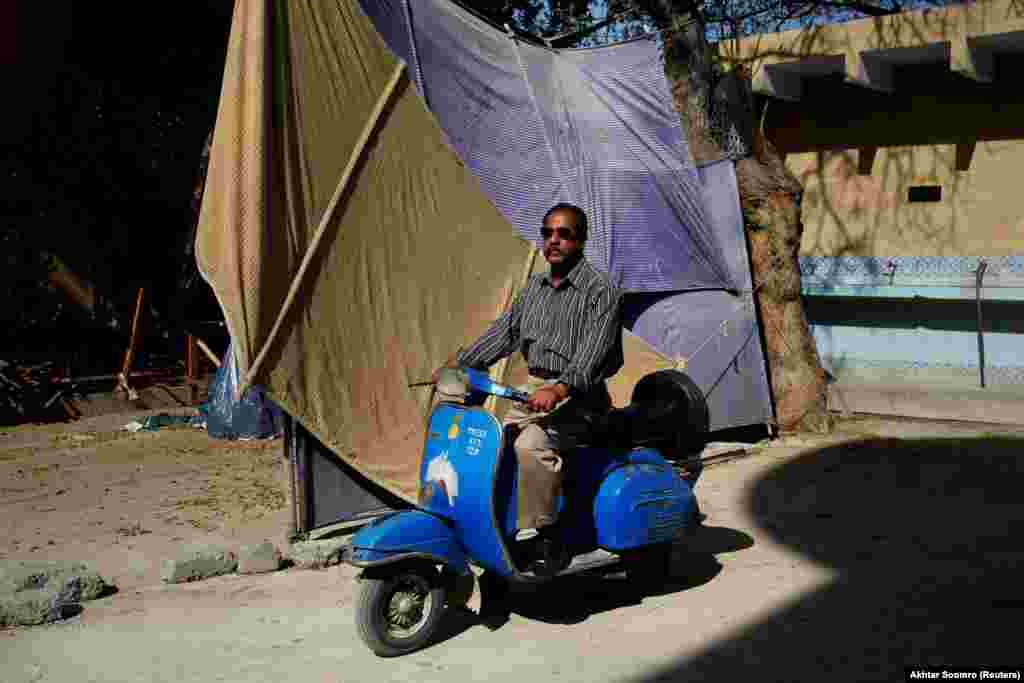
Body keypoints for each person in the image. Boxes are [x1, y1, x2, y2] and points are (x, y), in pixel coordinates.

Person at [434, 203, 624, 542]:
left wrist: (560, 388)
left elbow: (593, 355)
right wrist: (461, 363)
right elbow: (503, 334)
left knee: (532, 446)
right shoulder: (533, 289)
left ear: (580, 241)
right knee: (488, 443)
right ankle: (492, 522)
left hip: (582, 399)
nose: (554, 241)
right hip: (530, 393)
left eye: (564, 234)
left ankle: (542, 533)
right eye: (548, 233)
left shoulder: (601, 291)